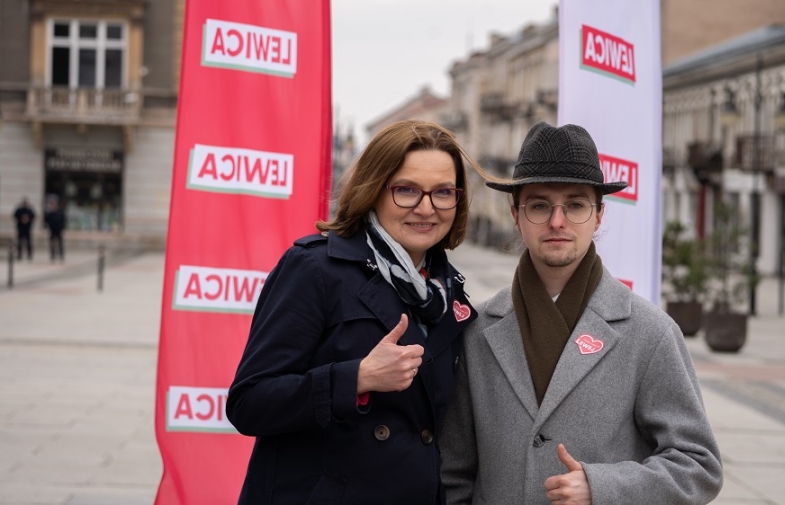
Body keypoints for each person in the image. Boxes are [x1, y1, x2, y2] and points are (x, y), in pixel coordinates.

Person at [439, 122, 723, 505]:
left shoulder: (650, 333)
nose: (557, 221)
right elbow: (452, 473)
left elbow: (698, 466)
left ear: (599, 215)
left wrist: (604, 488)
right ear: (515, 215)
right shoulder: (475, 331)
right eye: (539, 205)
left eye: (575, 205)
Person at [227, 120, 491, 504]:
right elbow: (249, 403)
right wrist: (357, 378)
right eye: (406, 190)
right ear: (373, 189)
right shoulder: (315, 269)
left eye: (443, 192)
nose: (426, 208)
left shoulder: (450, 294)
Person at [44, 196, 66, 262]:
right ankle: (52, 255)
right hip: (52, 230)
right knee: (52, 243)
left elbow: (63, 220)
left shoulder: (60, 212)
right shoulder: (50, 213)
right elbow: (47, 220)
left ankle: (61, 255)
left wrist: (62, 227)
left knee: (59, 243)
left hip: (58, 230)